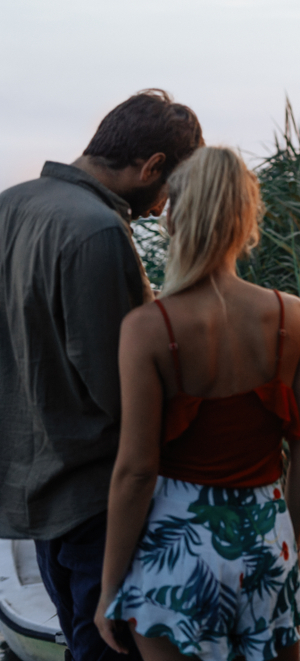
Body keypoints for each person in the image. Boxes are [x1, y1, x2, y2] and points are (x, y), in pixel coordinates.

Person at [94, 147, 300, 660]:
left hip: (179, 549)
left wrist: (109, 589)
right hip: (267, 539)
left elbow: (135, 470)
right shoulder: (293, 316)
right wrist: (290, 542)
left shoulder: (149, 329)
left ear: (176, 217)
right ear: (246, 218)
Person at [0, 89, 203, 660]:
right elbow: (122, 392)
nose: (164, 208)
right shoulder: (97, 231)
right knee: (112, 648)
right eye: (169, 190)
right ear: (152, 167)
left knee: (81, 638)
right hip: (97, 500)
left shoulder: (9, 206)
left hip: (36, 494)